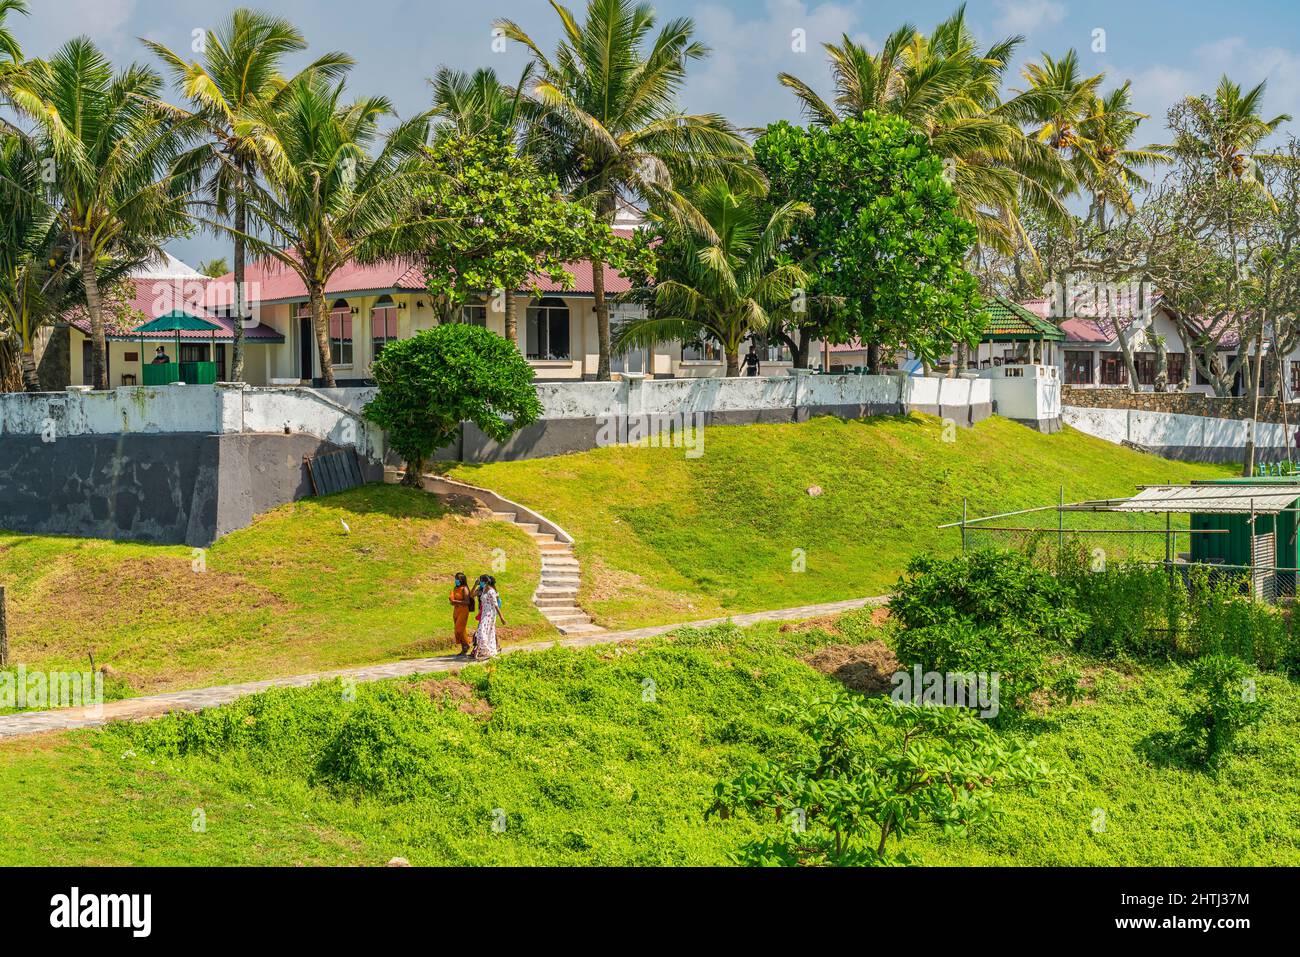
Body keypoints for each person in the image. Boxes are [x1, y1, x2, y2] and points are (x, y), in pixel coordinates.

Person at [471, 574, 506, 661]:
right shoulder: (482, 591)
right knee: (486, 632)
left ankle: (486, 651)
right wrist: (475, 584)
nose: (481, 582)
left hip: (490, 614)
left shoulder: (491, 591)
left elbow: (496, 605)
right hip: (483, 613)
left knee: (481, 631)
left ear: (486, 582)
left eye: (482, 581)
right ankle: (487, 651)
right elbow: (472, 595)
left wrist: (501, 617)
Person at [449, 572, 474, 657]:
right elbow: (454, 600)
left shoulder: (464, 588)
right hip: (456, 610)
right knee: (461, 630)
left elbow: (467, 602)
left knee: (458, 629)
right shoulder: (455, 588)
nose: (456, 581)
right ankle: (464, 647)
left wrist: (456, 601)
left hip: (463, 610)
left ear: (462, 580)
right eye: (456, 579)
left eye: (458, 579)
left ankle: (467, 643)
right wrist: (452, 601)